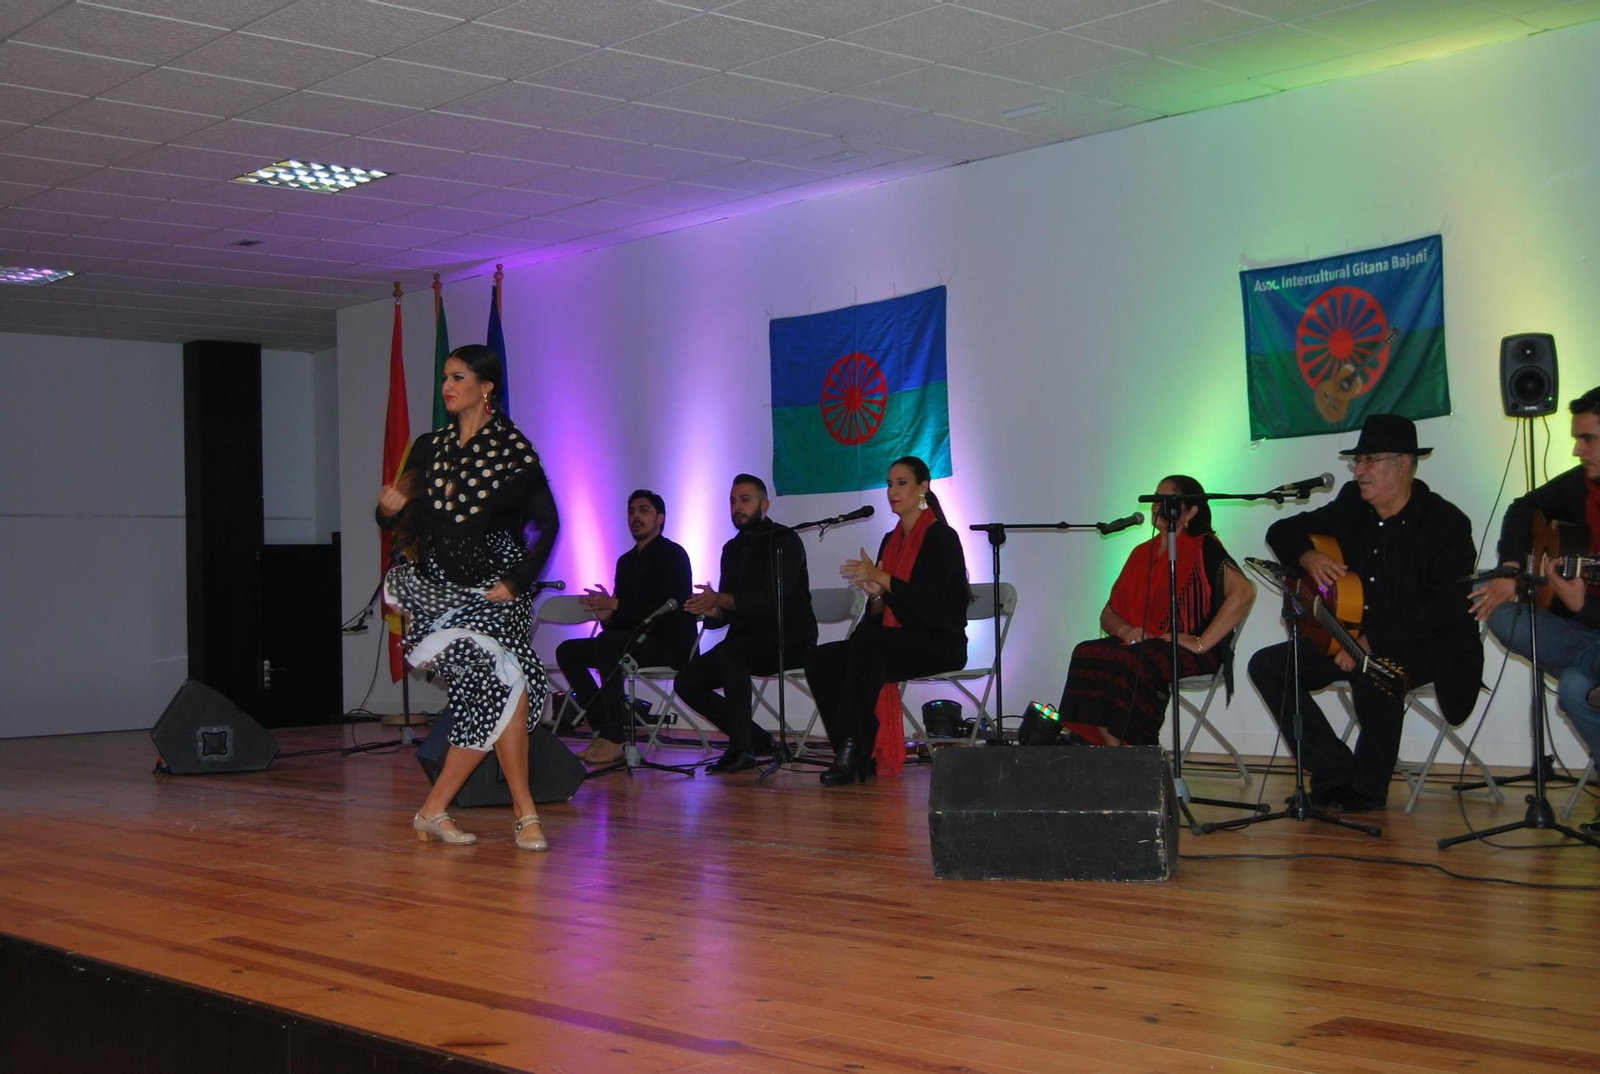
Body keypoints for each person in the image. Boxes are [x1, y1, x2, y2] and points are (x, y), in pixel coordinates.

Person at [1249, 413, 1481, 813]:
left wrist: (1370, 639)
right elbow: (1281, 531)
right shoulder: (1352, 506)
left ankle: (1368, 789)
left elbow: (1446, 608)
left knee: (1374, 670)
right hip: (1351, 636)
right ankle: (1333, 771)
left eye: (1369, 460)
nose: (1358, 471)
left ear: (1404, 464)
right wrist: (1308, 556)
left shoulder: (1446, 524)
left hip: (1427, 645)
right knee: (1269, 666)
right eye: (1357, 462)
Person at [377, 344, 560, 851]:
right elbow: (404, 517)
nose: (447, 387)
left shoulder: (513, 450)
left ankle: (475, 811)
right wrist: (389, 510)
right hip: (439, 591)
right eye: (444, 377)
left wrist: (519, 581)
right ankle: (506, 813)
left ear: (486, 386)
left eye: (458, 377)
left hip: (499, 588)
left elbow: (549, 524)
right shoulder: (429, 447)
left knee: (509, 685)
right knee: (503, 686)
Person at [1472, 387, 1600, 829]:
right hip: (1584, 634)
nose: (1577, 448)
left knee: (1573, 691)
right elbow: (1521, 509)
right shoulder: (1579, 484)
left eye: (1588, 439)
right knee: (1503, 615)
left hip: (1587, 623)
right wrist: (1510, 567)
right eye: (1577, 438)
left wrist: (1581, 604)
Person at [806, 457, 970, 786]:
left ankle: (853, 751)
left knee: (866, 644)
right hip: (896, 641)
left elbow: (929, 607)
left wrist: (881, 577)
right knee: (820, 658)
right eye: (889, 484)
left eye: (901, 483)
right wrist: (876, 594)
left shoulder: (942, 538)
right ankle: (852, 751)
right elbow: (884, 613)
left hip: (940, 642)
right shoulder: (889, 540)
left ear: (923, 488)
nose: (892, 491)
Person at [1058, 475, 1255, 747]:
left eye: (1167, 501)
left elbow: (1244, 592)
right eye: (1155, 499)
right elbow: (1108, 613)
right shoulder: (1141, 553)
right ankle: (1116, 756)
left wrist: (1200, 642)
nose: (1157, 507)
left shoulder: (1204, 546)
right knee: (1086, 651)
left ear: (1191, 511)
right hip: (1144, 643)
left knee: (1132, 662)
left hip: (1192, 651)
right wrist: (1127, 630)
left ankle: (1136, 754)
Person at [677, 474, 817, 773]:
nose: (737, 507)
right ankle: (754, 738)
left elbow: (770, 601)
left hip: (788, 639)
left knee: (732, 652)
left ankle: (742, 749)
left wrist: (721, 599)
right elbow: (730, 612)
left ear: (764, 505)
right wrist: (712, 610)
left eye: (744, 500)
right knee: (686, 680)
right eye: (732, 501)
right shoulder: (731, 549)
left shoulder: (784, 541)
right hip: (745, 643)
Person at [555, 489, 694, 767]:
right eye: (631, 511)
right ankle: (603, 731)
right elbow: (623, 619)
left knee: (610, 644)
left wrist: (616, 605)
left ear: (660, 518)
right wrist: (607, 616)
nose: (635, 517)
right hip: (631, 641)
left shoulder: (674, 554)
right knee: (569, 651)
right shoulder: (626, 561)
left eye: (643, 510)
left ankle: (616, 737)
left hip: (667, 643)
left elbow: (669, 606)